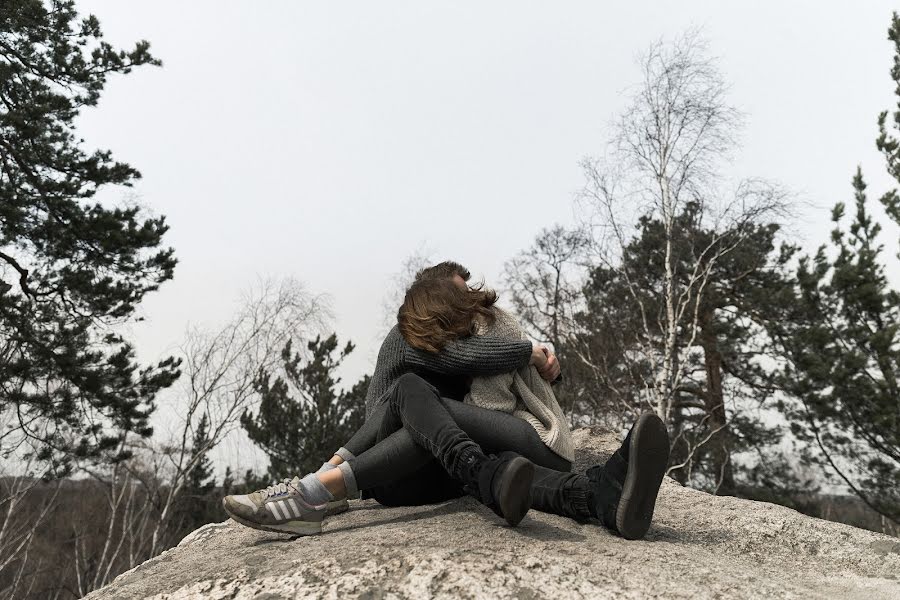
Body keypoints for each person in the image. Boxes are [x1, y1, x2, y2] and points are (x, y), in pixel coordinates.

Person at [223, 262, 670, 540]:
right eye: (462, 288)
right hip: (397, 467)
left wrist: (547, 363)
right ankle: (318, 493)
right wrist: (333, 463)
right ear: (439, 300)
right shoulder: (409, 338)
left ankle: (598, 496)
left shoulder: (482, 333)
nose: (473, 292)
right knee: (413, 398)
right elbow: (460, 367)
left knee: (484, 463)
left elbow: (508, 380)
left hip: (445, 462)